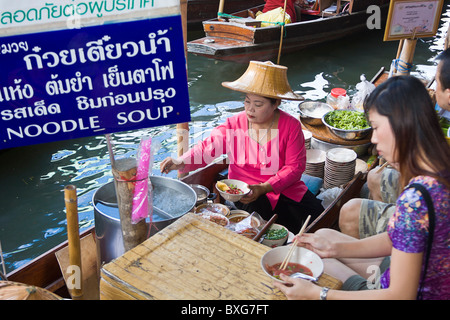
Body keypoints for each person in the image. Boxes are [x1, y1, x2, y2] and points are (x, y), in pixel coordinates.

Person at [274, 75, 450, 300]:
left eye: (376, 128)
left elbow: (400, 295)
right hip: (410, 270)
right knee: (326, 237)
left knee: (316, 263)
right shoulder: (439, 171)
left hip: (399, 292)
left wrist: (319, 294)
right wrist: (334, 249)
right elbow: (397, 237)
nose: (374, 139)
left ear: (401, 125)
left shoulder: (416, 200)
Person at [160, 60, 324, 234]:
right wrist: (180, 161)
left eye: (258, 104)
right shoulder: (234, 124)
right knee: (267, 230)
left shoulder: (291, 125)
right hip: (245, 191)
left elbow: (295, 167)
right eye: (247, 102)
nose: (250, 109)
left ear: (275, 104)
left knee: (318, 222)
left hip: (285, 187)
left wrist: (266, 187)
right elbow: (207, 148)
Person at [339, 47, 450, 239]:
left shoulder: (419, 197)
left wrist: (338, 248)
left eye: (437, 82)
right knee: (374, 175)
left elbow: (406, 257)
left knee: (348, 214)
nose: (373, 138)